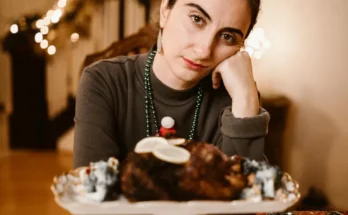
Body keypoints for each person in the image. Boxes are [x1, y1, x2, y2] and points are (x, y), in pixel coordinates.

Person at [73, 0, 270, 168]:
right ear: (165, 10)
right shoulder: (104, 81)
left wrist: (246, 97)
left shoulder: (237, 100)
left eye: (228, 37)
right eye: (197, 19)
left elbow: (244, 201)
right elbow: (91, 198)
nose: (204, 50)